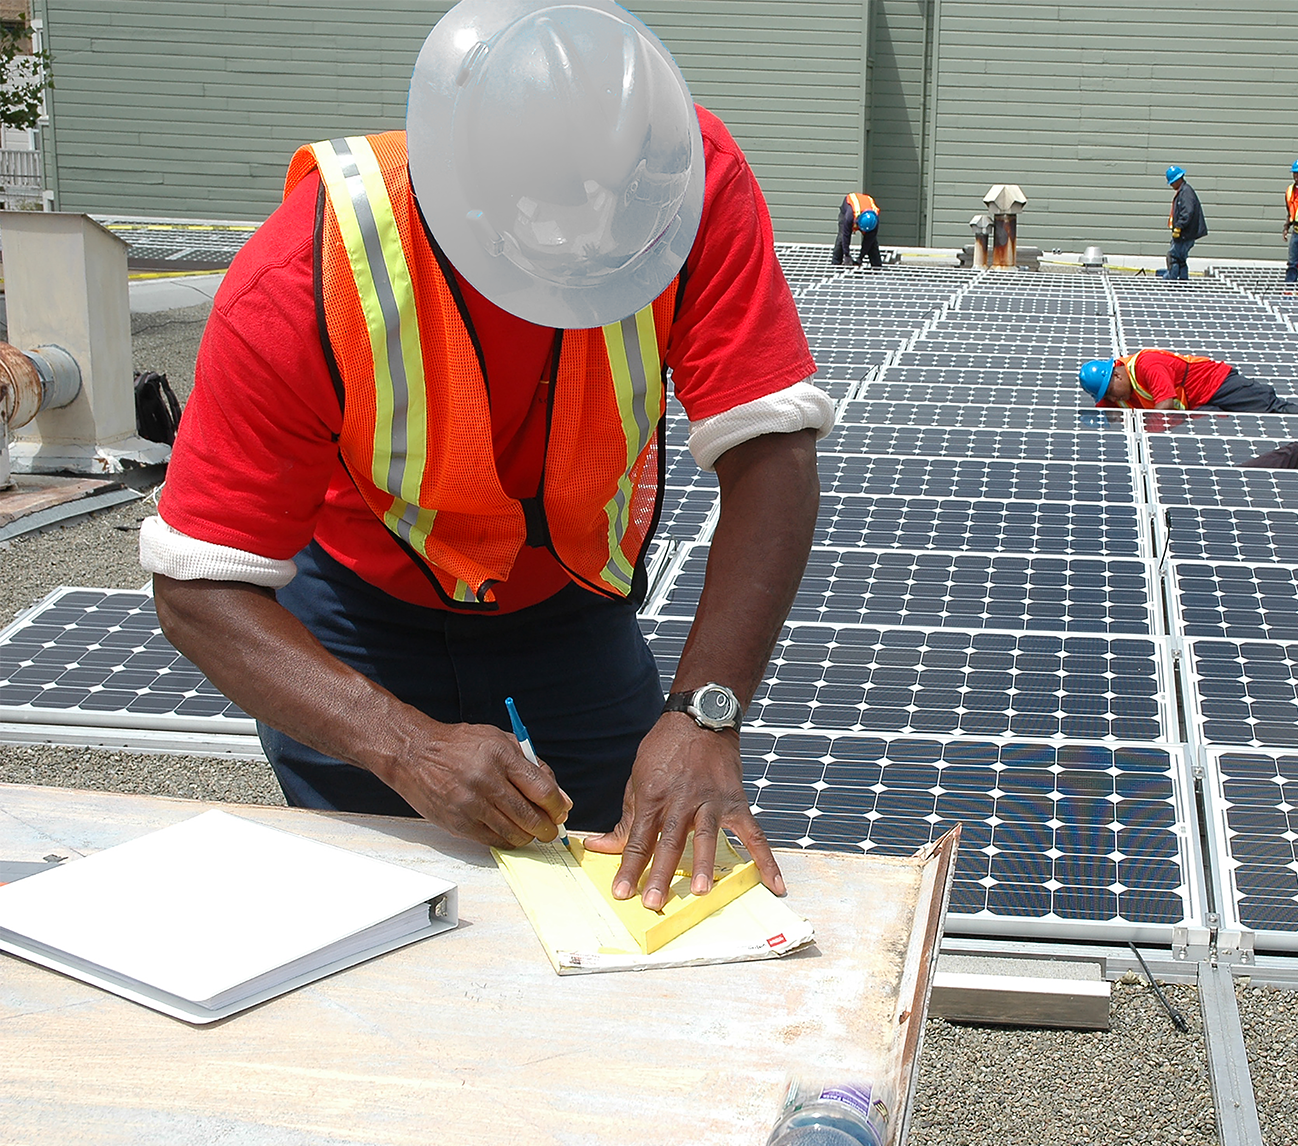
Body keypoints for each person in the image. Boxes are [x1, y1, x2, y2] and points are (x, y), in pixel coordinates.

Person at [138, 0, 834, 912]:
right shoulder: (307, 272)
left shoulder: (688, 184)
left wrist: (706, 713)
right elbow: (198, 589)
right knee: (398, 919)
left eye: (610, 212)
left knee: (628, 886)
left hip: (566, 603)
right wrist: (404, 745)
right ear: (453, 182)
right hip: (357, 614)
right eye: (547, 224)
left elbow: (771, 455)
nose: (584, 249)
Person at [1078, 350, 1298, 413]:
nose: (1113, 399)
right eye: (1106, 397)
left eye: (1110, 391)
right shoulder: (1115, 395)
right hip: (1197, 407)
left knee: (1270, 408)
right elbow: (1101, 419)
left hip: (1215, 383)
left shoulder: (1147, 365)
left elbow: (1164, 409)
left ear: (1117, 374)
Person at [1161, 166, 1207, 280]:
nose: (1171, 186)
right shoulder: (1184, 191)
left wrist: (1178, 227)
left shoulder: (1186, 192)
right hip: (1185, 233)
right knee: (1181, 259)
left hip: (1185, 234)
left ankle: (1171, 281)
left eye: (1172, 183)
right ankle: (1182, 282)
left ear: (1177, 180)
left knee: (1174, 257)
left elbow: (1187, 212)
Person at [832, 192, 882, 268]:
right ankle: (835, 264)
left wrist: (860, 257)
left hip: (864, 214)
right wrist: (847, 255)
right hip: (849, 206)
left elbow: (869, 240)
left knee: (872, 243)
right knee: (841, 238)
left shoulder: (873, 221)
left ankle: (876, 266)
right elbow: (846, 235)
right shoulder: (850, 216)